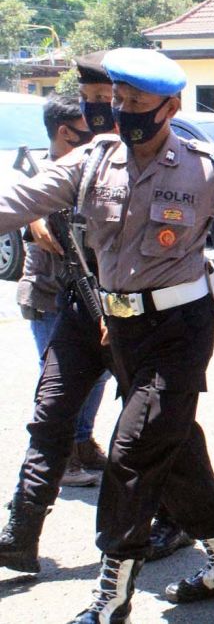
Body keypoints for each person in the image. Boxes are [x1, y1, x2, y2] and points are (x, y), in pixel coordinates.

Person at [0, 48, 214, 622]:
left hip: (179, 329)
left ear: (171, 107)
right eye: (119, 99)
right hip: (117, 325)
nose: (124, 110)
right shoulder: (94, 160)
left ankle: (111, 596)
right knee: (175, 450)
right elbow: (19, 201)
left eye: (137, 101)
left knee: (132, 451)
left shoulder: (206, 168)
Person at [0, 54, 193, 578]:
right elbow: (25, 197)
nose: (105, 113)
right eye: (95, 104)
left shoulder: (173, 151)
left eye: (107, 102)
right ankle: (22, 528)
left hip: (147, 316)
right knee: (51, 411)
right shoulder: (80, 155)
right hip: (83, 305)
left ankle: (181, 520)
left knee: (156, 427)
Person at [17, 95, 108, 488]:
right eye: (85, 128)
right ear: (64, 131)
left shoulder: (91, 166)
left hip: (88, 291)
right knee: (56, 382)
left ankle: (82, 440)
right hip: (49, 292)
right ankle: (60, 456)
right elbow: (26, 210)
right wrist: (33, 221)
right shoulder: (32, 172)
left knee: (99, 374)